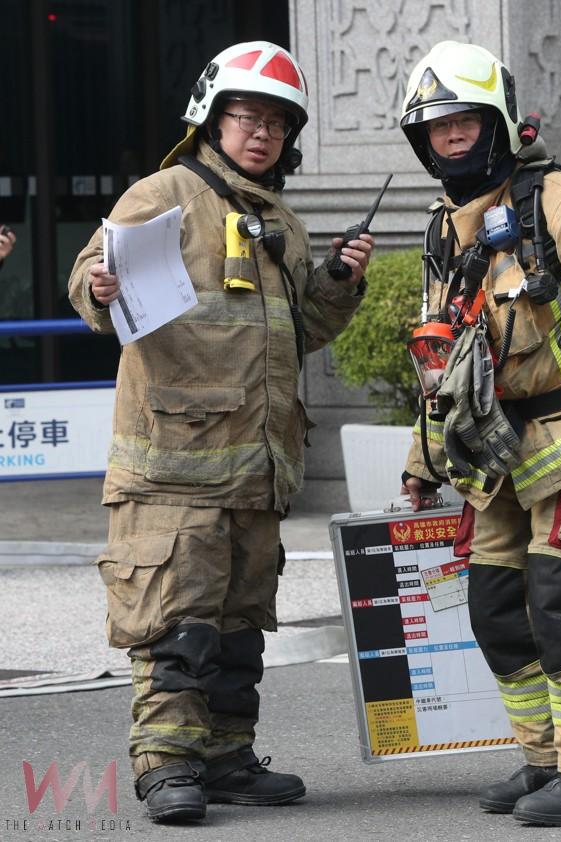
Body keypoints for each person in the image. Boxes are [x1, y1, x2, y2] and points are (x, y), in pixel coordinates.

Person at [67, 41, 371, 824]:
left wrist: (338, 284)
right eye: (247, 117)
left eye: (276, 122)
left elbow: (298, 330)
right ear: (212, 116)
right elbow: (92, 276)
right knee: (177, 624)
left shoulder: (282, 221)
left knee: (239, 632)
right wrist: (99, 287)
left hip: (255, 472)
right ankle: (166, 767)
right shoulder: (164, 192)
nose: (261, 133)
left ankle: (228, 757)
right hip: (170, 468)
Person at [398, 41, 561, 827]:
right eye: (436, 129)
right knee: (496, 607)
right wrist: (423, 459)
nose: (450, 140)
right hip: (496, 456)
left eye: (465, 124)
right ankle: (547, 760)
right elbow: (443, 356)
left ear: (500, 126)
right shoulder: (447, 231)